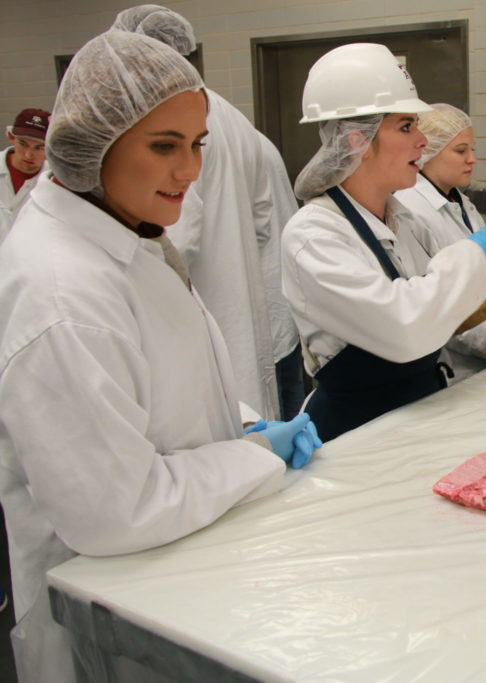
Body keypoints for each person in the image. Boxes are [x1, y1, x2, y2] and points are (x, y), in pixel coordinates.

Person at [0, 31, 320, 683]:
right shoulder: (61, 290)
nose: (191, 171)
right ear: (91, 145)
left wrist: (238, 420)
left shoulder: (128, 231)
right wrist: (251, 457)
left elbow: (158, 370)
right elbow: (115, 512)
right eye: (164, 145)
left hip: (180, 566)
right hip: (113, 612)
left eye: (197, 144)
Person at [282, 43, 486, 442]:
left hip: (419, 411)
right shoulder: (314, 236)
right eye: (407, 127)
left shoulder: (402, 219)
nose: (423, 142)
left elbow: (438, 316)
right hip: (357, 433)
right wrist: (474, 251)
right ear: (357, 140)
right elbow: (403, 327)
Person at [111, 5, 304, 421]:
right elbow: (259, 221)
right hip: (247, 311)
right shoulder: (231, 119)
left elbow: (171, 242)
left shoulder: (163, 121)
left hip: (202, 314)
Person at [394, 103, 486, 383]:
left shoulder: (462, 203)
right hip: (455, 371)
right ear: (427, 152)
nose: (472, 159)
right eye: (461, 150)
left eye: (473, 150)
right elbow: (444, 302)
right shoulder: (413, 211)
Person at [0, 108, 50, 242]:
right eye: (23, 144)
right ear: (11, 137)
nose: (28, 155)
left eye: (39, 147)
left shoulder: (55, 180)